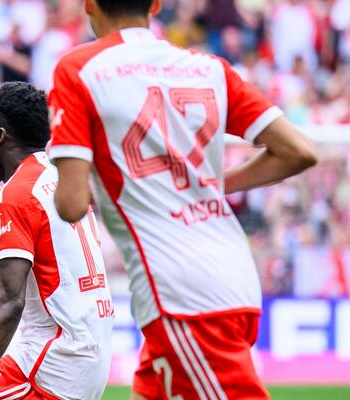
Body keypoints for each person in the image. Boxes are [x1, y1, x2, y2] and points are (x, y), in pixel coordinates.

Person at [46, 1, 318, 399]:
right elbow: (300, 150)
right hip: (230, 273)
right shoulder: (209, 68)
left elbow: (70, 204)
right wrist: (208, 183)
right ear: (156, 4)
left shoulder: (79, 68)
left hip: (182, 294)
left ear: (89, 4)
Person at [0, 81, 114, 400]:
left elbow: (8, 299)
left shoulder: (14, 195)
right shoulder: (61, 179)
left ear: (0, 136)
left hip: (54, 363)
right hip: (88, 352)